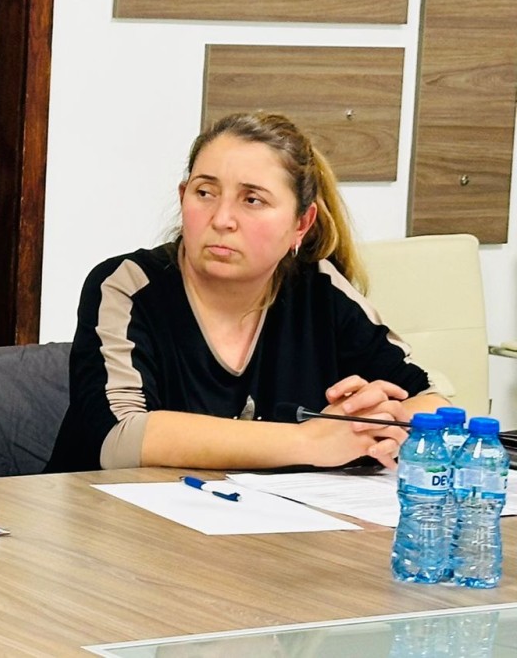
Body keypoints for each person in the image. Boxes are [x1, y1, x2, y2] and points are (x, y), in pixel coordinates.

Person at [47, 112, 447, 473]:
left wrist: (378, 426)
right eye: (205, 193)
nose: (222, 219)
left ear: (301, 223)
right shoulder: (128, 284)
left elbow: (434, 403)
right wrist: (310, 440)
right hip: (108, 521)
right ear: (183, 197)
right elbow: (119, 438)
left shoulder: (321, 287)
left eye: (252, 200)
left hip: (259, 523)